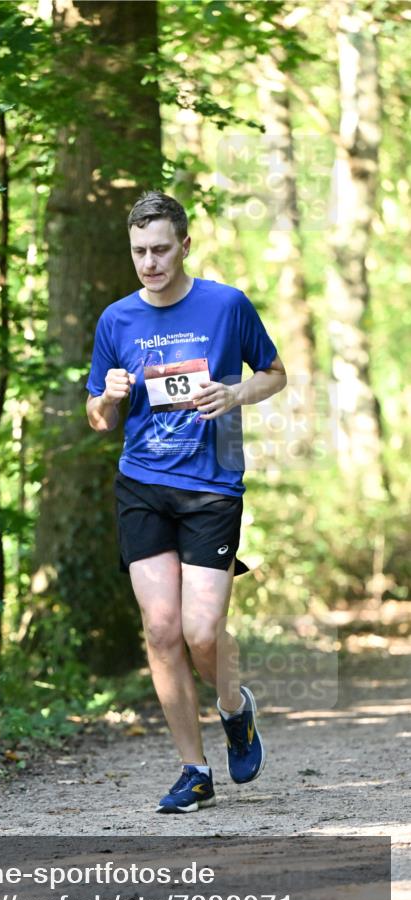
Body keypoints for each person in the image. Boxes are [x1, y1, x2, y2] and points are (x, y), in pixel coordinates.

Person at [85, 191, 287, 814]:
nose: (149, 263)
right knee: (162, 629)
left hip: (213, 485)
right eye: (139, 251)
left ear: (185, 245)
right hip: (142, 484)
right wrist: (109, 398)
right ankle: (193, 769)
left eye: (161, 250)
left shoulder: (225, 305)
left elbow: (276, 372)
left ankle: (234, 707)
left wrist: (236, 395)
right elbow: (96, 415)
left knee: (202, 632)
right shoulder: (116, 320)